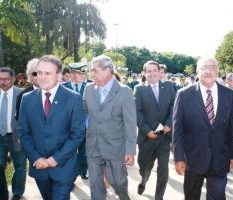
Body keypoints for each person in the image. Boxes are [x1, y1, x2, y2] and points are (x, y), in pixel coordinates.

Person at [18, 55, 86, 200]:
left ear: (59, 75)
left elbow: (78, 134)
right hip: (39, 168)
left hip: (64, 168)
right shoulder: (27, 99)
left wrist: (54, 159)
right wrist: (36, 158)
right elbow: (23, 133)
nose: (41, 77)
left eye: (47, 73)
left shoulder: (74, 98)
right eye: (39, 72)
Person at [172, 57, 233, 200]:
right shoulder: (183, 95)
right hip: (193, 160)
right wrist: (178, 157)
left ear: (218, 71)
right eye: (204, 67)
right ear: (197, 71)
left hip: (220, 159)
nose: (208, 71)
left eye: (212, 67)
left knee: (218, 196)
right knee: (192, 196)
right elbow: (178, 129)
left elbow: (232, 127)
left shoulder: (228, 94)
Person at [84, 55, 136, 200]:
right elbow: (82, 114)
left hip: (115, 147)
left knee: (118, 182)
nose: (91, 74)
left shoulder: (124, 92)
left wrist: (130, 150)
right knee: (95, 185)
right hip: (93, 146)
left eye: (95, 71)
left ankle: (123, 197)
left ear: (107, 70)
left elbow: (130, 123)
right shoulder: (88, 89)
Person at [135, 60, 176, 200]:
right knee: (144, 166)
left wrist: (169, 123)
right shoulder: (139, 89)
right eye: (149, 71)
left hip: (164, 136)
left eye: (154, 70)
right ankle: (143, 180)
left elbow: (173, 107)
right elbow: (137, 112)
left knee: (163, 169)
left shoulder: (169, 87)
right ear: (145, 73)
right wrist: (146, 130)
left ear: (160, 72)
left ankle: (159, 197)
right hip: (147, 137)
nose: (152, 73)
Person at [0, 67, 26, 200]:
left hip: (17, 138)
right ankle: (1, 195)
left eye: (6, 79)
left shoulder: (23, 94)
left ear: (13, 79)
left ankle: (17, 193)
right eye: (0, 79)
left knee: (20, 167)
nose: (3, 82)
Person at [63, 62, 89, 180]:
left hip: (86, 126)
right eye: (73, 73)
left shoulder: (91, 86)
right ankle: (71, 177)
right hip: (68, 128)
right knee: (70, 153)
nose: (75, 76)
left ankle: (83, 170)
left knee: (84, 152)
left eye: (81, 73)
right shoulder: (62, 87)